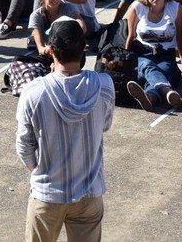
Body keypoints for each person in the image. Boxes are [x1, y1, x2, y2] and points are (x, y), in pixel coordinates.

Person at [15, 17, 113, 242]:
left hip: (48, 194)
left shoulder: (33, 92)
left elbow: (23, 146)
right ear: (84, 47)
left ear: (50, 50)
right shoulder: (104, 85)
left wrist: (37, 171)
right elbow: (105, 125)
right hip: (89, 193)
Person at [123, 0, 182, 111]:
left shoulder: (175, 8)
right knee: (147, 66)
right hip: (141, 55)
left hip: (166, 56)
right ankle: (167, 91)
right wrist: (125, 62)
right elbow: (129, 36)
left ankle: (149, 98)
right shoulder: (137, 7)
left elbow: (181, 40)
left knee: (162, 73)